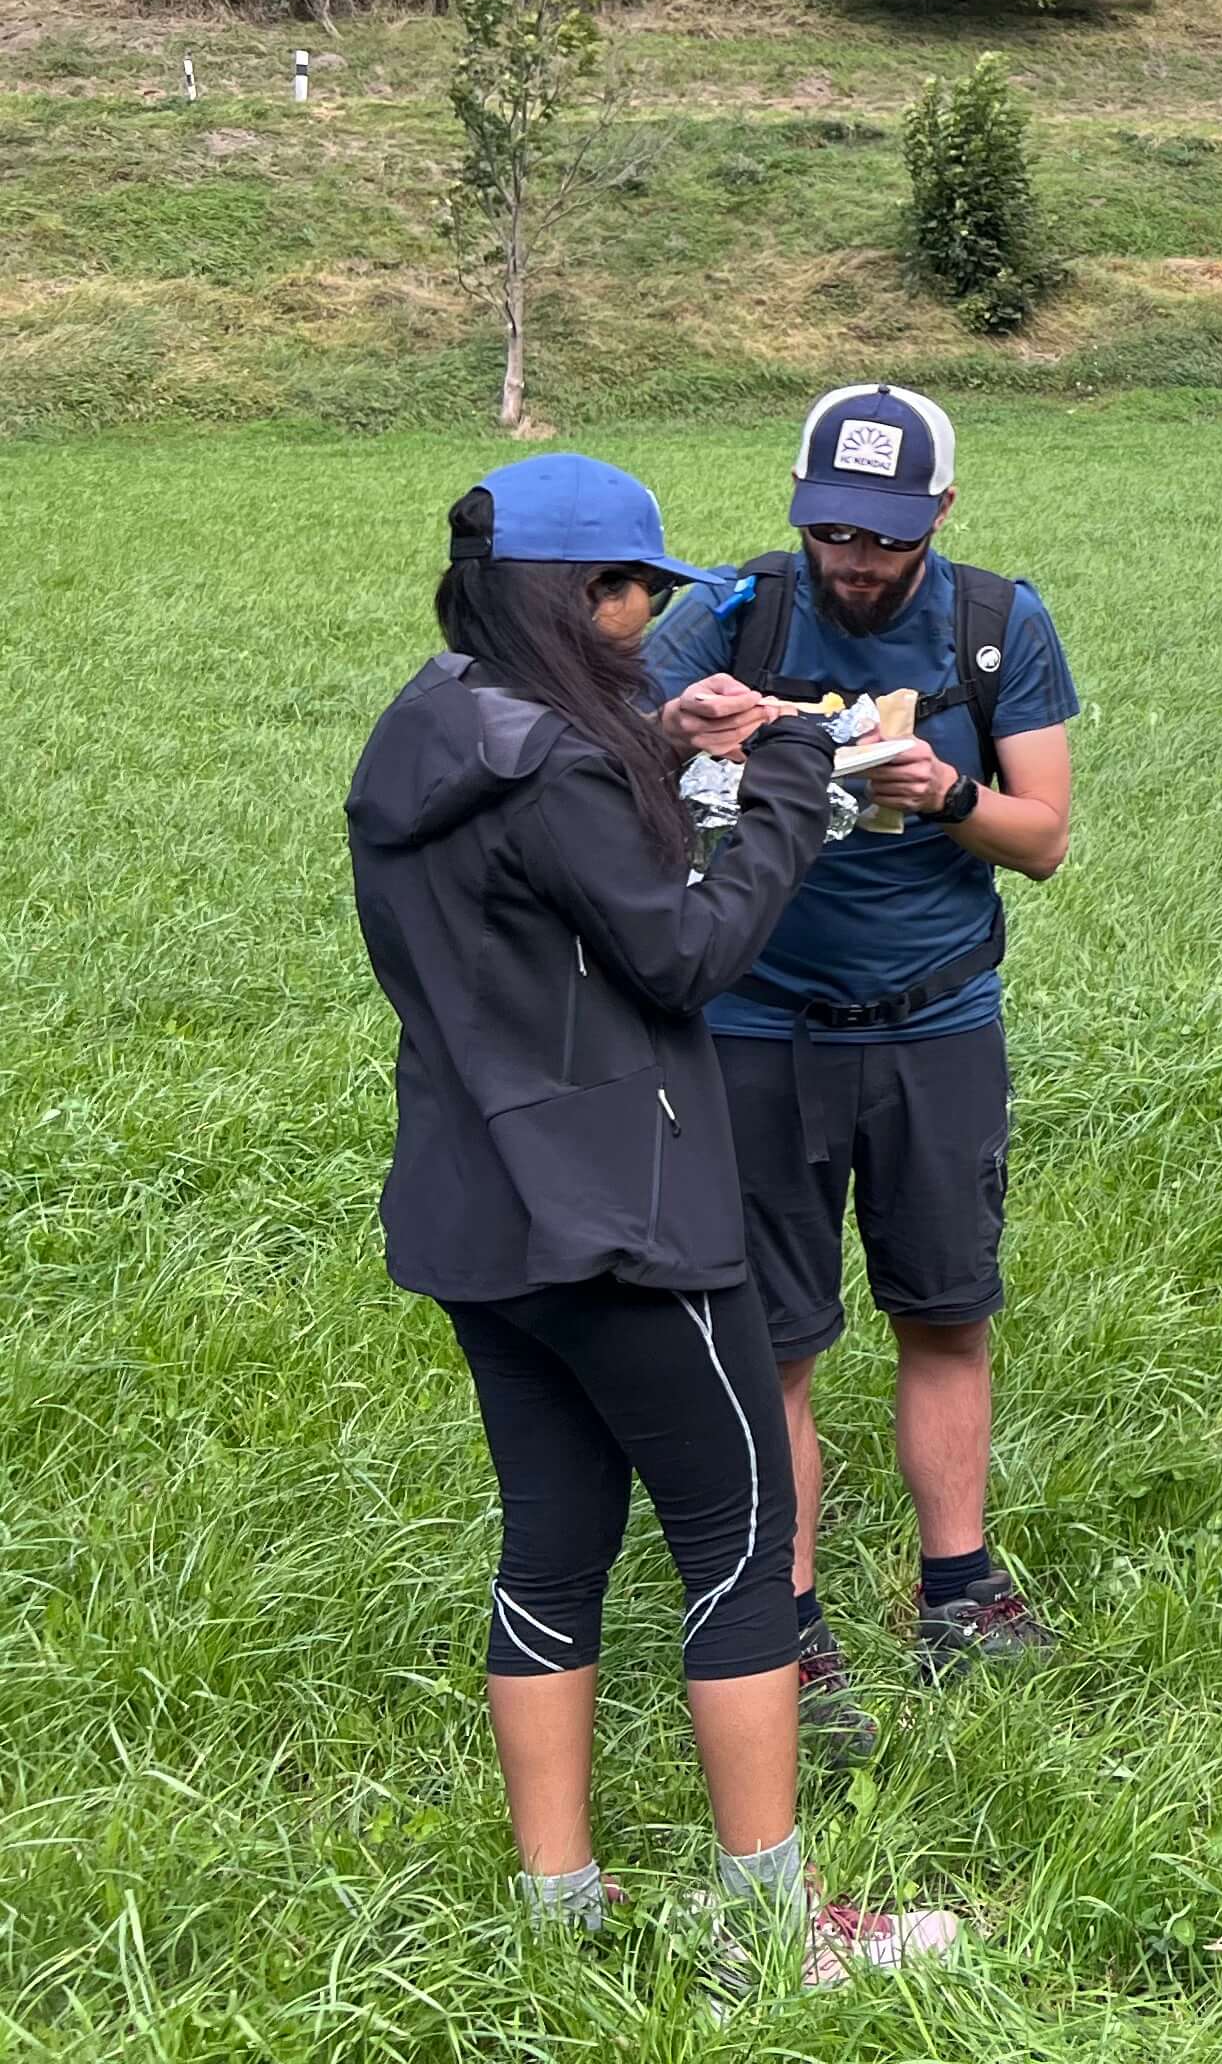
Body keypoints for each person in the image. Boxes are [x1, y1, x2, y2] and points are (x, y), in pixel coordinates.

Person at [345, 453, 957, 1990]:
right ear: (574, 592)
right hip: (620, 1214)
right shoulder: (552, 765)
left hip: (475, 1209)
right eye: (629, 597)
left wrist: (656, 739)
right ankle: (774, 1931)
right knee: (742, 1550)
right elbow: (682, 953)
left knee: (550, 1549)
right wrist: (790, 795)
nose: (644, 627)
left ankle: (562, 1915)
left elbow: (549, 867)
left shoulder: (427, 729)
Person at [642, 384, 1076, 1758]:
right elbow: (587, 754)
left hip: (935, 1024)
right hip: (757, 1027)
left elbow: (1045, 836)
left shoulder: (1000, 627)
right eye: (832, 528)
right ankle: (792, 1622)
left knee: (946, 1311)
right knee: (777, 1344)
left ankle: (961, 1589)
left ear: (941, 514)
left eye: (884, 536)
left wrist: (938, 795)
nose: (854, 559)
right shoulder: (729, 611)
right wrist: (675, 730)